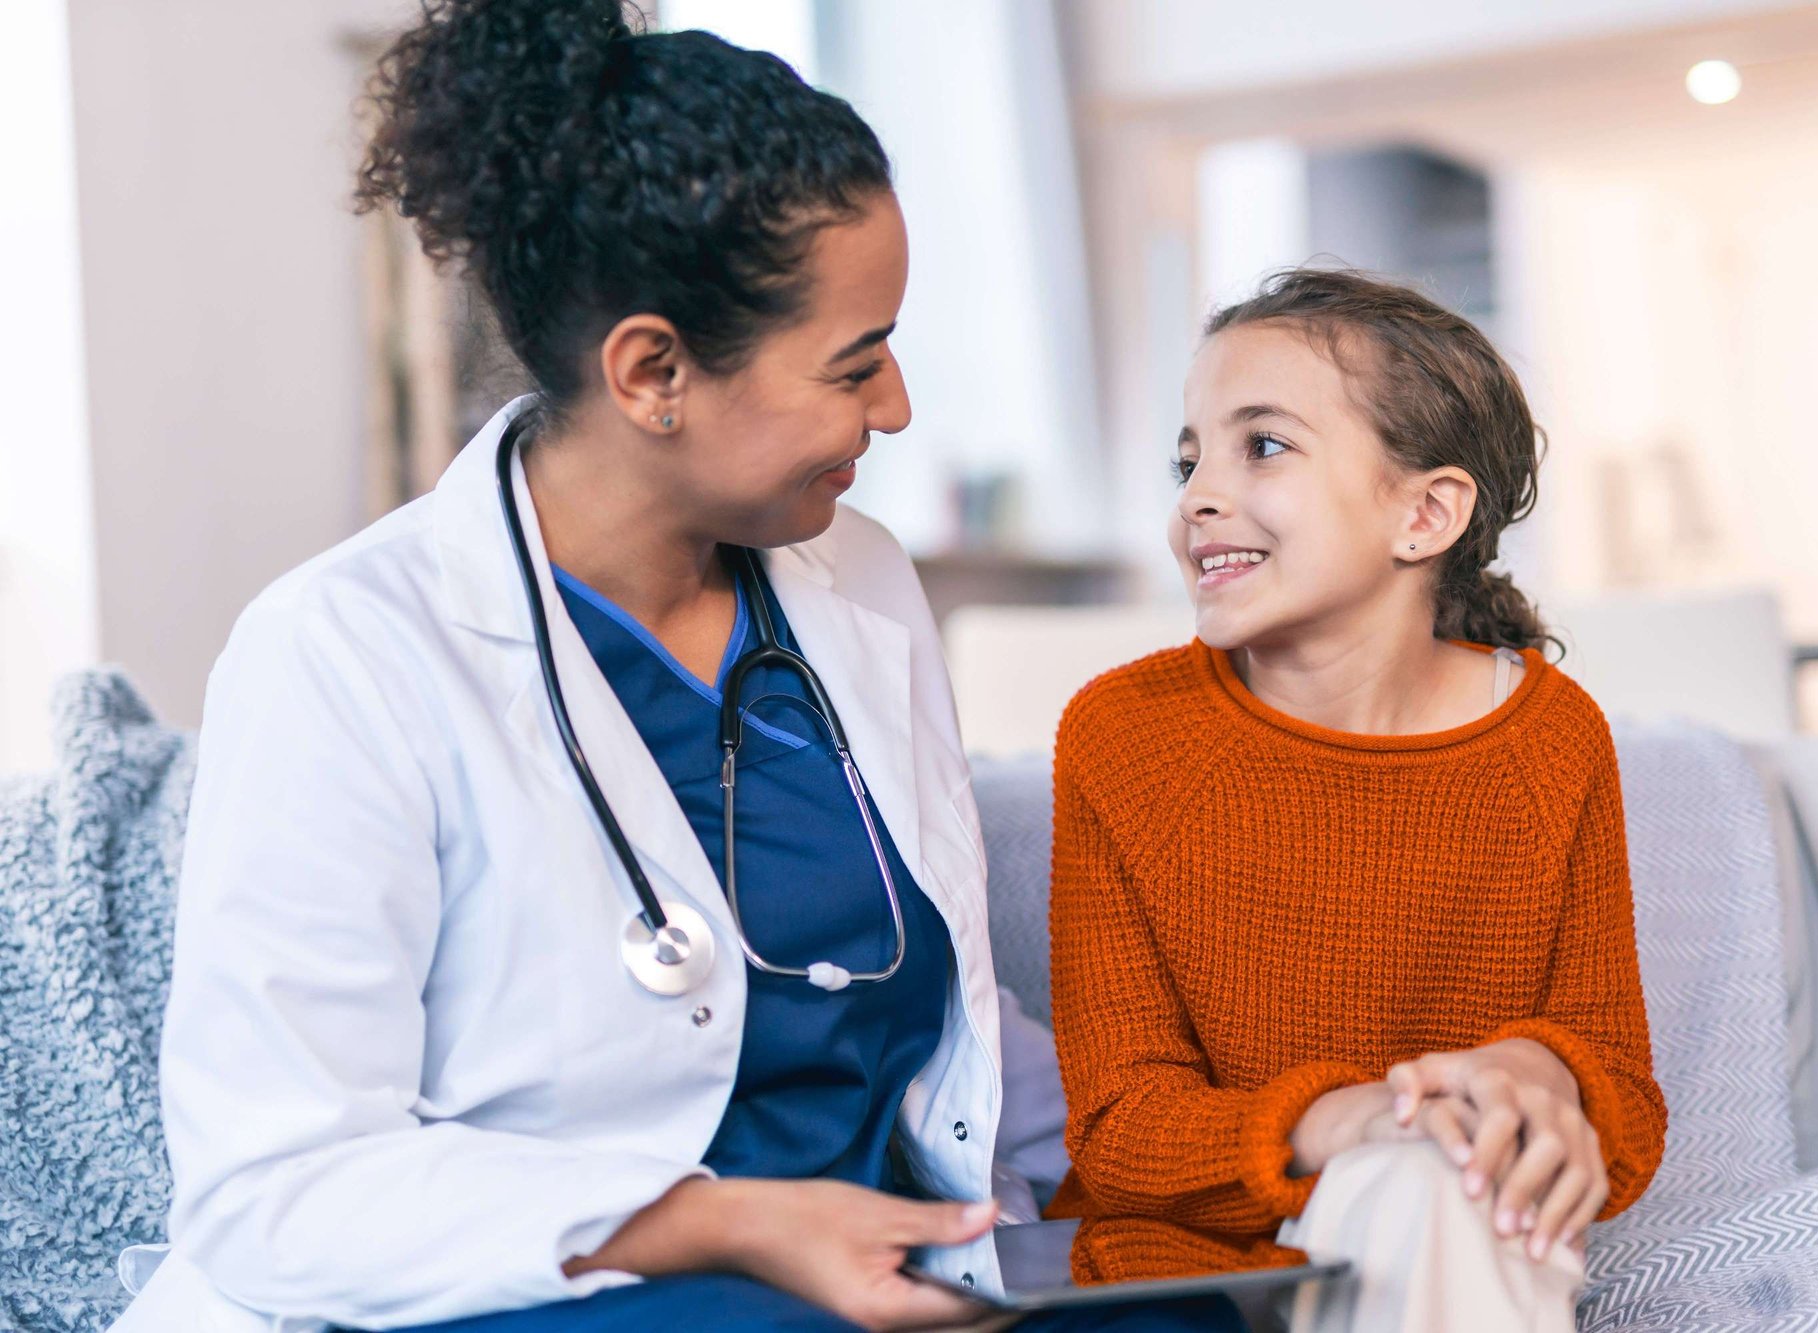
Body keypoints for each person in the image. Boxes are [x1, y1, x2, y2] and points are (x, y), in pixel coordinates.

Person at [109, 5, 1239, 1330]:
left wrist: (1246, 1146)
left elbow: (951, 1027)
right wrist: (727, 1220)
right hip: (534, 1291)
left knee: (1198, 1307)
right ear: (652, 371)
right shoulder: (346, 653)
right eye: (855, 364)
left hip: (879, 1269)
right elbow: (278, 1190)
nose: (898, 409)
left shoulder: (859, 582)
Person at [1045, 269, 1668, 1330]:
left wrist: (1539, 1075)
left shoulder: (1553, 738)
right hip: (1193, 1275)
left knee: (1432, 1181)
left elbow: (1616, 1089)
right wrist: (1351, 1120)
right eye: (1186, 457)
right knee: (1415, 1172)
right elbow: (1120, 1125)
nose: (1196, 494)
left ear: (1424, 512)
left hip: (1468, 1218)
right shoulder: (1122, 734)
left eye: (1263, 445)